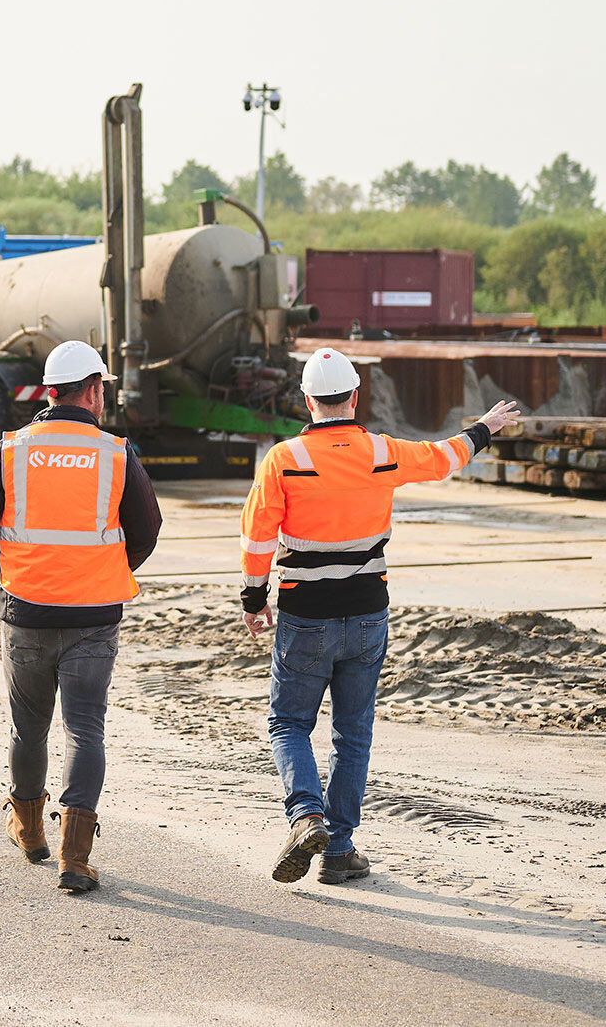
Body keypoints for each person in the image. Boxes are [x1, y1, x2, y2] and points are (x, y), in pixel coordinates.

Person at [241, 347, 524, 885]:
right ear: (354, 395)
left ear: (307, 400)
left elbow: (257, 539)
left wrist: (255, 601)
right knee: (353, 734)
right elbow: (443, 458)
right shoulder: (381, 452)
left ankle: (306, 816)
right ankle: (339, 851)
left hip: (305, 614)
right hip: (368, 613)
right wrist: (485, 426)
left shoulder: (285, 459)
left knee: (289, 723)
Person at [0, 339, 162, 894]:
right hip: (93, 616)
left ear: (49, 391)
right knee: (85, 728)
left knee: (29, 725)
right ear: (94, 391)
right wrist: (104, 569)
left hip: (25, 612)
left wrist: (8, 576)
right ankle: (75, 858)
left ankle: (28, 832)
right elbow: (147, 529)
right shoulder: (116, 452)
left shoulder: (13, 449)